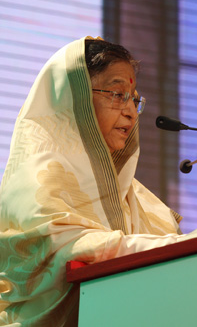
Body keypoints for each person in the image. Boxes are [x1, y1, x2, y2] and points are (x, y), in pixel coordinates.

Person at [0, 37, 183, 326]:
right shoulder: (35, 175)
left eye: (134, 98)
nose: (132, 112)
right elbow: (72, 247)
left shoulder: (139, 197)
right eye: (117, 94)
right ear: (75, 98)